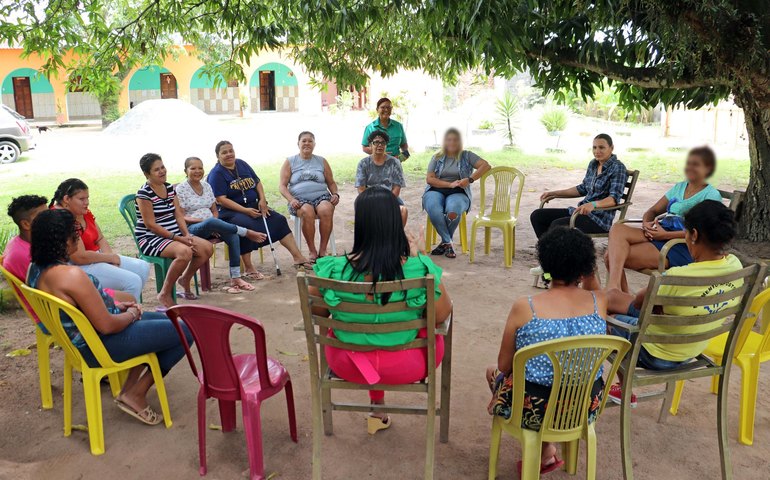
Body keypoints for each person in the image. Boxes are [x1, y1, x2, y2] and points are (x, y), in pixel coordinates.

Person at [27, 208, 193, 425]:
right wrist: (132, 313)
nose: (78, 237)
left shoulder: (36, 268)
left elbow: (85, 307)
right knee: (185, 330)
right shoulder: (70, 275)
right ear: (62, 240)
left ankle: (129, 389)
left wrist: (116, 305)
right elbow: (107, 325)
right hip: (100, 346)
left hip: (82, 341)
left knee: (168, 322)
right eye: (74, 233)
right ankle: (136, 393)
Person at [310, 187, 452, 434]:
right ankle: (378, 408)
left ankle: (377, 407)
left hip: (347, 363)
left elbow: (318, 314)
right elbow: (441, 316)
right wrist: (422, 258)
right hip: (410, 363)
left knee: (356, 333)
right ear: (394, 224)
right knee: (424, 329)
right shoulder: (419, 269)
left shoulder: (331, 270)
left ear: (361, 223)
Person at [486, 227, 607, 474]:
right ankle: (547, 449)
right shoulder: (599, 302)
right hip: (584, 406)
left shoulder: (525, 307)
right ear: (587, 267)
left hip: (535, 408)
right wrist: (588, 273)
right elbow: (594, 286)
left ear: (545, 263)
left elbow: (505, 365)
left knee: (493, 372)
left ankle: (542, 449)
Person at [605, 200, 742, 405]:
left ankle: (623, 389)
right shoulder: (735, 265)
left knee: (608, 318)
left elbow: (639, 303)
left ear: (694, 235)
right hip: (693, 347)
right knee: (612, 298)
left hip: (655, 353)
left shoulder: (677, 276)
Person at [598, 147, 722, 292]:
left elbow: (705, 233)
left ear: (708, 168)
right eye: (688, 163)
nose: (690, 168)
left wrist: (665, 235)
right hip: (660, 232)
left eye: (696, 164)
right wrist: (647, 223)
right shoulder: (680, 187)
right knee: (617, 228)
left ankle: (618, 296)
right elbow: (653, 210)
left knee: (610, 257)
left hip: (681, 244)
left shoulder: (711, 195)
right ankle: (615, 290)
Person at [207, 140, 312, 269]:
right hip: (230, 212)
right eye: (224, 152)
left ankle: (298, 257)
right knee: (246, 225)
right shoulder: (216, 174)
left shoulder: (242, 164)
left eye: (231, 151)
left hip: (253, 205)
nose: (229, 154)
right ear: (218, 156)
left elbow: (257, 182)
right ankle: (249, 267)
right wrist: (245, 211)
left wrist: (262, 200)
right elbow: (221, 199)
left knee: (278, 220)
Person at [176, 156, 268, 292]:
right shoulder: (181, 189)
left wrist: (214, 223)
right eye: (193, 168)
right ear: (186, 171)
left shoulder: (206, 186)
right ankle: (246, 232)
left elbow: (214, 211)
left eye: (200, 168)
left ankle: (235, 277)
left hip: (213, 225)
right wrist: (208, 223)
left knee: (232, 236)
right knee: (217, 224)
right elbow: (182, 216)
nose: (197, 171)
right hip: (192, 228)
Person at [50, 178, 151, 302]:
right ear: (66, 199)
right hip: (78, 266)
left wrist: (110, 258)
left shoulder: (81, 211)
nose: (86, 202)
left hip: (96, 258)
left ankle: (125, 306)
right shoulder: (62, 217)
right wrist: (110, 258)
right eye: (82, 199)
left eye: (87, 198)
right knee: (133, 281)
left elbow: (100, 238)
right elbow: (79, 257)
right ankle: (124, 314)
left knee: (142, 267)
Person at [135, 153, 214, 308]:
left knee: (206, 248)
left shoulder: (169, 188)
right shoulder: (144, 194)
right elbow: (151, 225)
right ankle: (164, 293)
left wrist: (186, 234)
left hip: (175, 235)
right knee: (185, 252)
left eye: (162, 167)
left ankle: (185, 279)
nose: (162, 171)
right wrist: (178, 239)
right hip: (151, 238)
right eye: (156, 170)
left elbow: (178, 213)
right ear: (147, 174)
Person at [530, 133, 628, 238]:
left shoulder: (618, 168)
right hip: (580, 212)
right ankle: (547, 250)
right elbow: (582, 188)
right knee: (537, 216)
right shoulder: (594, 164)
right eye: (594, 147)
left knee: (557, 225)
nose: (597, 151)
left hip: (598, 219)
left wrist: (593, 205)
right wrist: (554, 193)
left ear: (611, 148)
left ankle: (554, 252)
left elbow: (613, 200)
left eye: (601, 147)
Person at [423, 128, 491, 258]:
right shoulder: (437, 157)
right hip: (436, 189)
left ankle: (444, 243)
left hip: (459, 191)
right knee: (434, 208)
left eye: (455, 140)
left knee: (453, 211)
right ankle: (448, 242)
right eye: (449, 140)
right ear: (444, 142)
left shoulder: (467, 155)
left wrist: (470, 179)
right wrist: (449, 184)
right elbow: (430, 179)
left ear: (460, 141)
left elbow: (486, 166)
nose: (452, 142)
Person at [278, 131, 340, 261]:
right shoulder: (290, 161)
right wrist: (291, 199)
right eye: (304, 141)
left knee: (326, 209)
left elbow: (331, 183)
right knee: (307, 211)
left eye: (310, 141)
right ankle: (312, 250)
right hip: (298, 199)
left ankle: (323, 250)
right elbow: (282, 186)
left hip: (321, 196)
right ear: (298, 144)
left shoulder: (322, 161)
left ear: (314, 144)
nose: (307, 143)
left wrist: (335, 194)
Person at [356, 130, 408, 225]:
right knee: (366, 211)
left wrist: (386, 202)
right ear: (370, 145)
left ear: (386, 145)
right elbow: (361, 189)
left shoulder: (394, 162)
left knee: (402, 211)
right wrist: (373, 202)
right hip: (369, 198)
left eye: (383, 142)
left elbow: (397, 187)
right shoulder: (363, 163)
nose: (380, 145)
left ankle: (395, 238)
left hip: (390, 197)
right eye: (376, 142)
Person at [2, 194, 48, 281]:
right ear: (26, 224)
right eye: (44, 216)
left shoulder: (18, 241)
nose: (52, 218)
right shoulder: (30, 257)